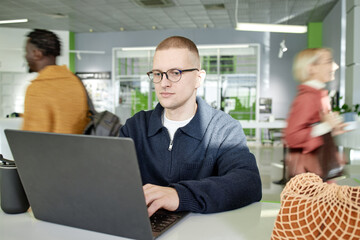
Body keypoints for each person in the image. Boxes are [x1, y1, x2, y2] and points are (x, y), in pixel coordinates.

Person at [120, 36, 262, 217]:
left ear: (198, 78)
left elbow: (248, 183)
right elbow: (111, 178)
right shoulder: (135, 127)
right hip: (143, 228)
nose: (164, 83)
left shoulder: (223, 129)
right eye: (157, 73)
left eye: (175, 72)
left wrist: (180, 195)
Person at [284, 48, 347, 181]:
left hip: (320, 171)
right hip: (311, 176)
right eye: (328, 61)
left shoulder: (318, 95)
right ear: (311, 68)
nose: (334, 66)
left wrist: (332, 127)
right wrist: (326, 126)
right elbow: (292, 136)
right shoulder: (308, 98)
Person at [23, 29, 89, 133]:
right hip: (77, 148)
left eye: (27, 52)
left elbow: (33, 137)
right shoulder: (75, 82)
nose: (25, 56)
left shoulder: (38, 88)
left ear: (37, 54)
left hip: (49, 149)